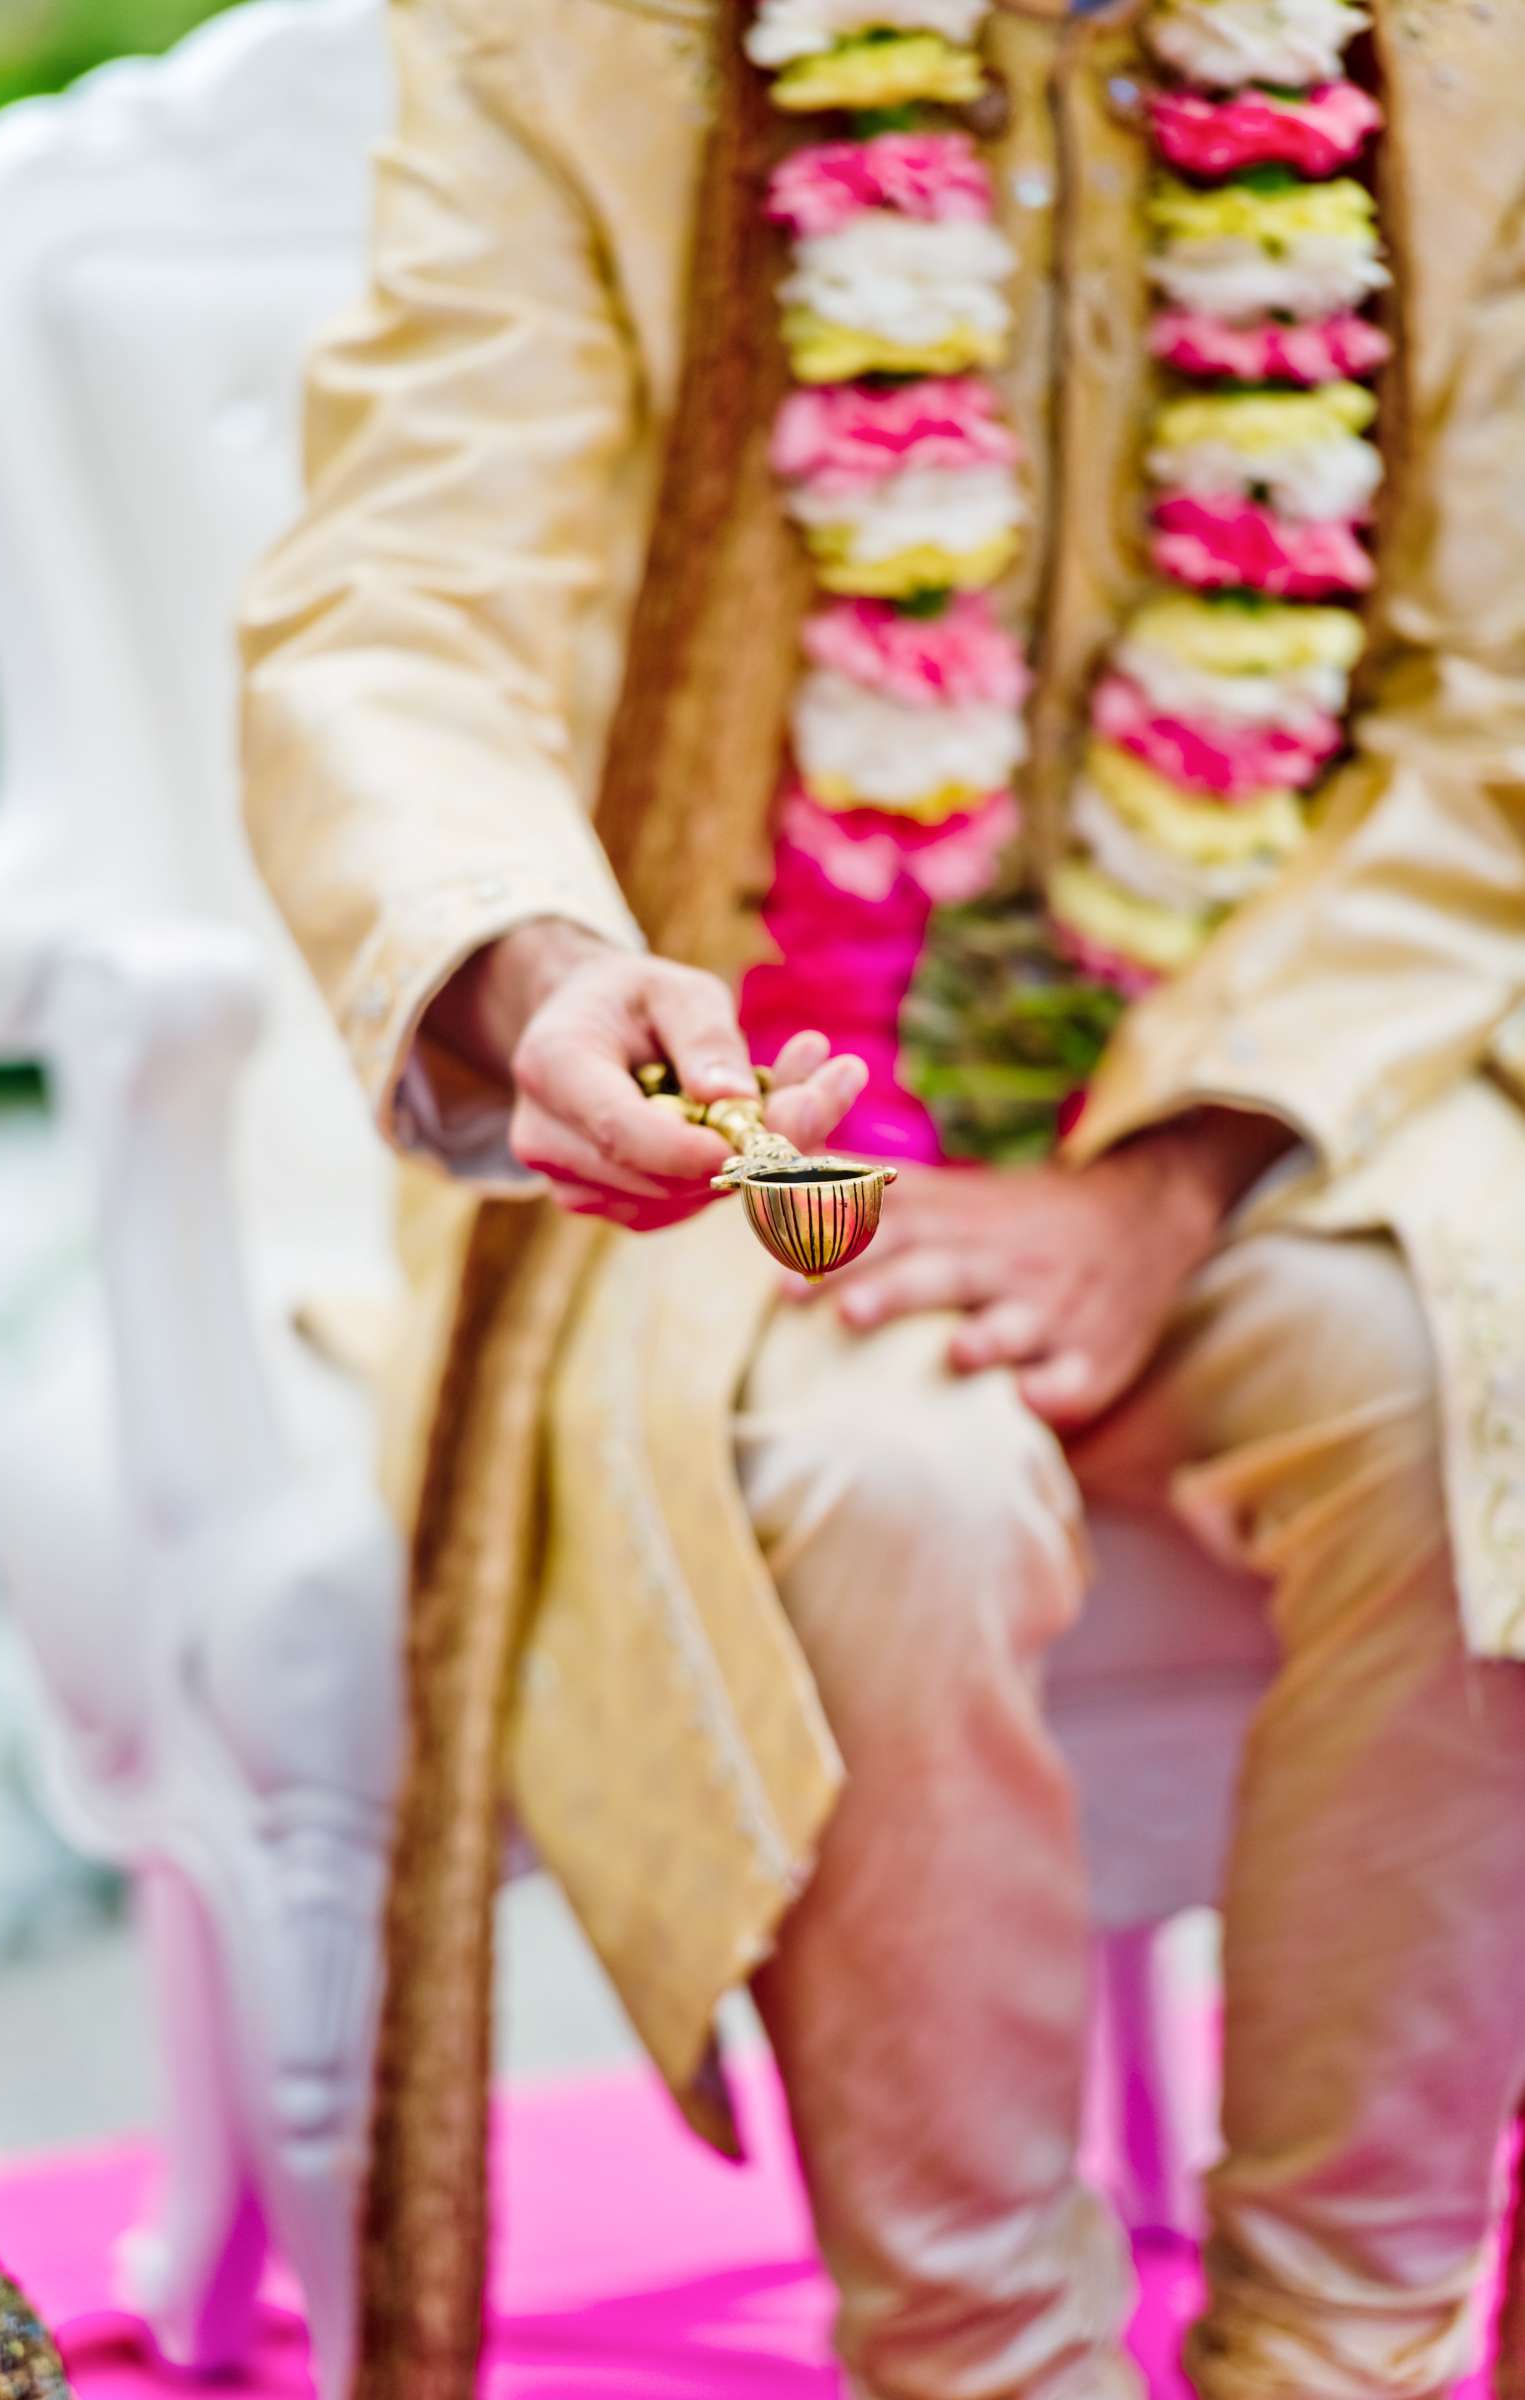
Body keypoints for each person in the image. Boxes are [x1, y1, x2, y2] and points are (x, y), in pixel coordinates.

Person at [239, 1, 1525, 2395]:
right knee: (885, 1486)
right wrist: (533, 962)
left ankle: (1346, 2358)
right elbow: (404, 605)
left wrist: (1168, 1174)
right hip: (734, 1101)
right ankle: (982, 2364)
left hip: (1278, 1056)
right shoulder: (585, 40)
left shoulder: (1457, 49)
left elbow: (1503, 689)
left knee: (1472, 1382)